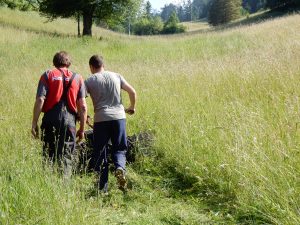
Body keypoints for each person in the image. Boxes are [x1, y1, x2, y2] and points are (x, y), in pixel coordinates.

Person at [31, 51, 87, 178]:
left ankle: (47, 184)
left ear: (54, 62)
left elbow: (40, 99)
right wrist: (82, 129)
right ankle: (64, 188)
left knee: (48, 154)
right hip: (70, 122)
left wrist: (34, 123)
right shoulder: (78, 78)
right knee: (67, 156)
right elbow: (83, 106)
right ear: (69, 63)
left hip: (50, 119)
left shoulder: (47, 75)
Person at [85, 55, 136, 192]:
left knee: (100, 151)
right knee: (119, 148)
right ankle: (120, 168)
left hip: (101, 118)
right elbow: (132, 91)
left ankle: (102, 189)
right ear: (103, 65)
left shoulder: (89, 80)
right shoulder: (116, 76)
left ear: (91, 67)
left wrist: (84, 116)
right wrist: (131, 107)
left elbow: (81, 101)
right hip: (119, 117)